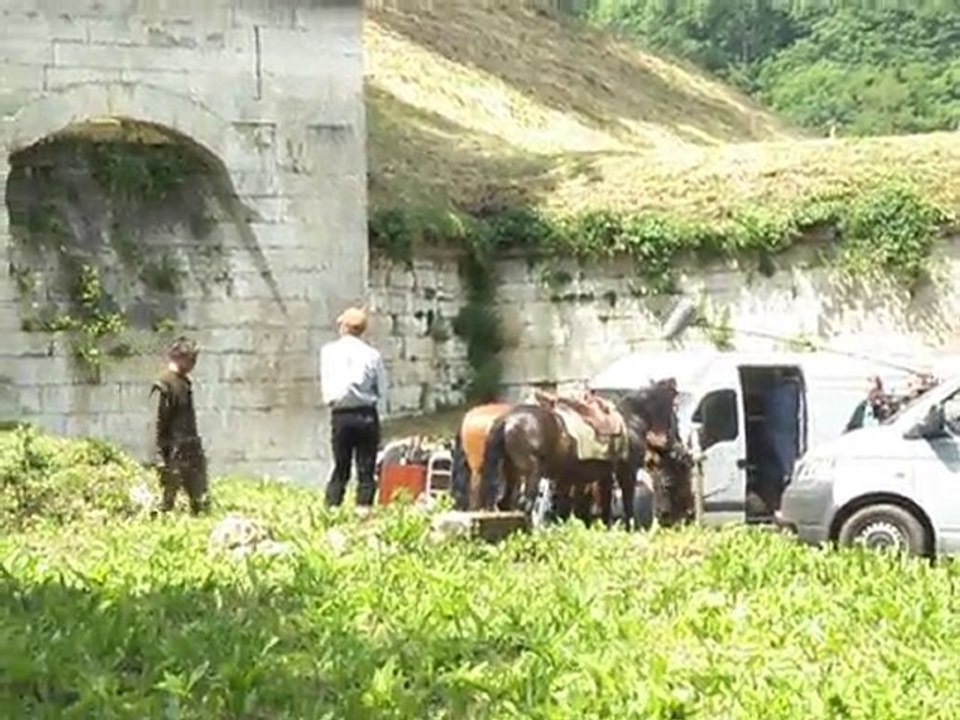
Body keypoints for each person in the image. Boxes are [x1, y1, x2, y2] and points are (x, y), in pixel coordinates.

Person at [320, 306, 388, 514]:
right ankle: (363, 510)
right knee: (366, 468)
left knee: (341, 466)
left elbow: (327, 381)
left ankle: (332, 508)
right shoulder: (372, 355)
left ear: (344, 327)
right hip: (366, 414)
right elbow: (381, 387)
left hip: (341, 414)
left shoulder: (328, 351)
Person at [150, 336, 209, 515]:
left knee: (200, 499)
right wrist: (160, 456)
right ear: (179, 358)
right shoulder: (164, 385)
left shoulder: (184, 382)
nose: (193, 364)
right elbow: (158, 422)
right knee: (167, 502)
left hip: (190, 449)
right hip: (174, 452)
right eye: (191, 359)